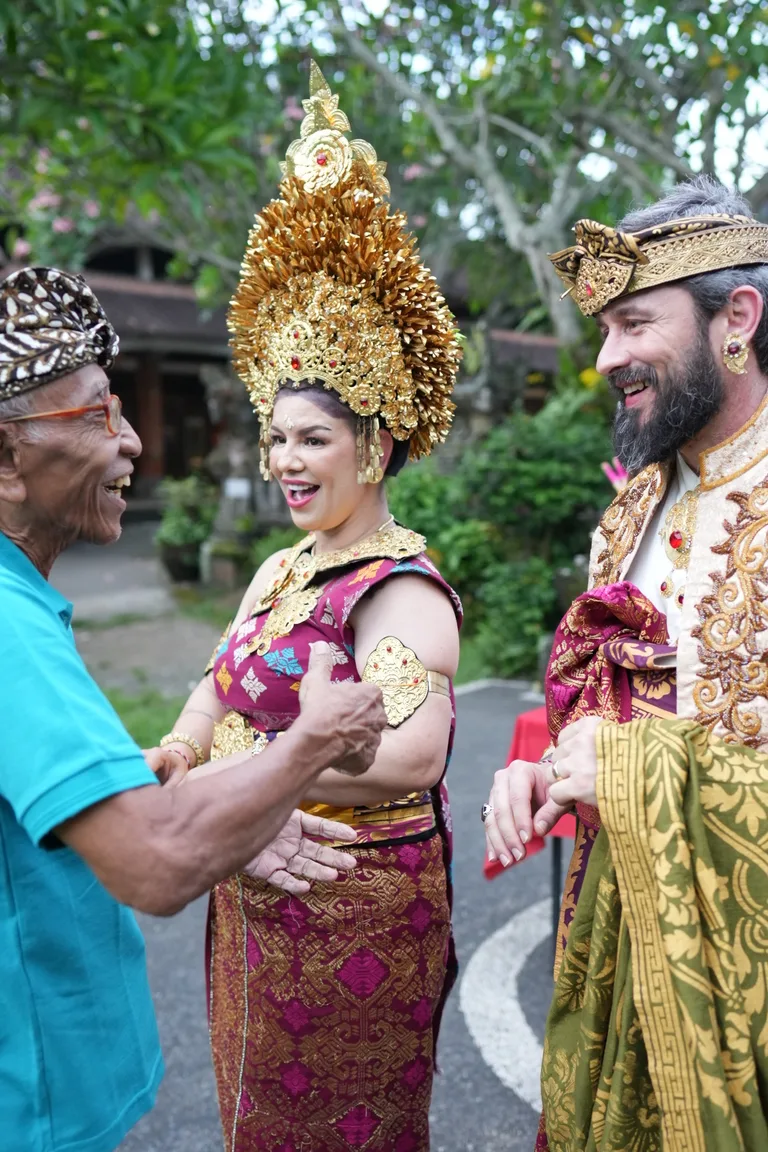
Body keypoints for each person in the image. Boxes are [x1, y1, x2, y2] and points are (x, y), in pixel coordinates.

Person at [0, 265, 387, 1152]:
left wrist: (215, 790)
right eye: (97, 416)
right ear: (7, 458)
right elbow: (158, 860)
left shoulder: (397, 577)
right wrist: (310, 745)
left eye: (313, 437)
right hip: (32, 1098)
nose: (133, 440)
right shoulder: (8, 624)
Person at [156, 61, 463, 1152]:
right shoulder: (282, 568)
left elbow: (413, 753)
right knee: (253, 1117)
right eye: (276, 436)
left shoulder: (401, 589)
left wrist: (237, 776)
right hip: (250, 888)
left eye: (312, 439)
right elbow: (215, 681)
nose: (285, 460)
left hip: (356, 909)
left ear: (373, 445)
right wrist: (182, 746)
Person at [482, 176, 768, 1150]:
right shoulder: (628, 514)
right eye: (605, 329)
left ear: (737, 318)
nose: (607, 358)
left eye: (636, 323)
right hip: (622, 952)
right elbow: (604, 728)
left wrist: (643, 776)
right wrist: (548, 771)